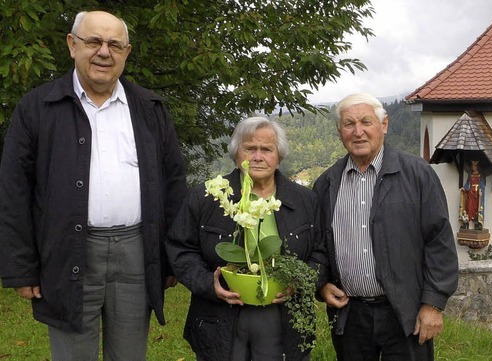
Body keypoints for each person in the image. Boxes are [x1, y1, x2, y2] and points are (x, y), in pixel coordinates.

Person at [0, 11, 187, 361]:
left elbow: (174, 184)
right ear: (72, 46)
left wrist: (171, 258)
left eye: (114, 44)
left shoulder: (150, 109)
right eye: (94, 42)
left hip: (136, 252)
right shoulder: (37, 108)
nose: (104, 52)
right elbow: (14, 191)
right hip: (66, 250)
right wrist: (21, 266)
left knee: (130, 354)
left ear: (126, 53)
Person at [312, 93, 459, 361]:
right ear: (339, 131)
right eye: (349, 124)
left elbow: (439, 240)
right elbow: (319, 244)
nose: (358, 132)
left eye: (366, 122)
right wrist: (321, 284)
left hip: (406, 312)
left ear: (384, 125)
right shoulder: (327, 183)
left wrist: (433, 304)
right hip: (350, 315)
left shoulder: (417, 174)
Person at [166, 116, 319, 361]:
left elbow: (320, 253)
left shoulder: (305, 201)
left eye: (267, 149)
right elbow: (180, 248)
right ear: (237, 153)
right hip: (219, 317)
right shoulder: (208, 197)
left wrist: (298, 283)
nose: (258, 157)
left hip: (282, 316)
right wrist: (209, 284)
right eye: (250, 148)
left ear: (279, 156)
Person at [460, 160, 485, 230]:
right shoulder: (471, 175)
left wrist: (481, 190)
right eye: (472, 166)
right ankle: (467, 221)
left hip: (477, 193)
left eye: (475, 166)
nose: (473, 168)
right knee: (469, 206)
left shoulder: (481, 175)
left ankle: (478, 222)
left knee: (477, 207)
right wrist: (464, 188)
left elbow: (482, 184)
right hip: (471, 193)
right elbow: (468, 183)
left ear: (477, 167)